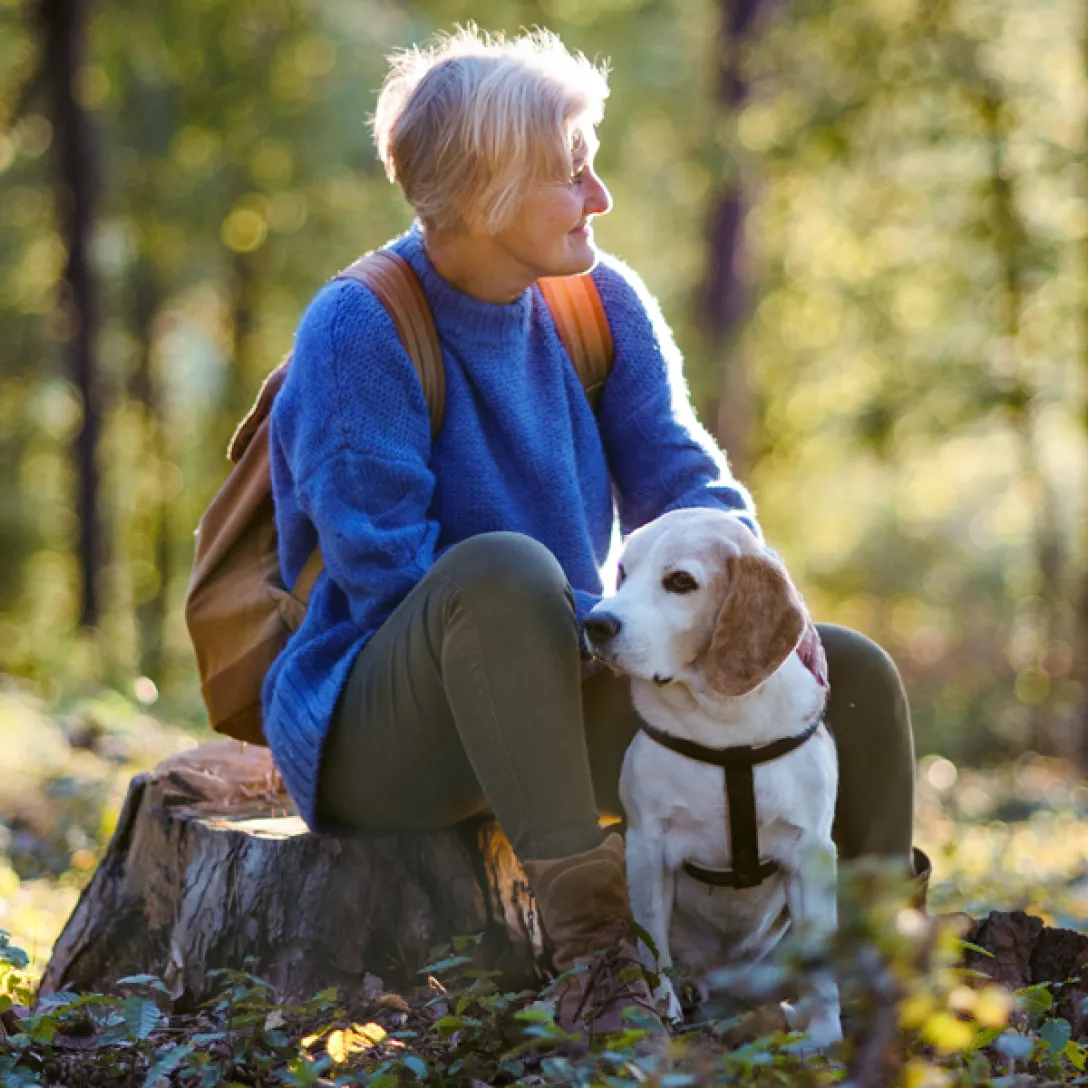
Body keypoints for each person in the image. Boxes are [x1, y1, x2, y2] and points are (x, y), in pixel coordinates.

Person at [262, 26, 921, 1042]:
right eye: (573, 173)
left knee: (854, 672)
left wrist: (760, 596)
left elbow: (686, 478)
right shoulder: (362, 326)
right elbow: (385, 570)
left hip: (568, 679)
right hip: (390, 727)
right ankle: (603, 963)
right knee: (503, 572)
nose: (600, 196)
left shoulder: (598, 301)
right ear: (485, 186)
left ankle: (871, 974)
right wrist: (601, 620)